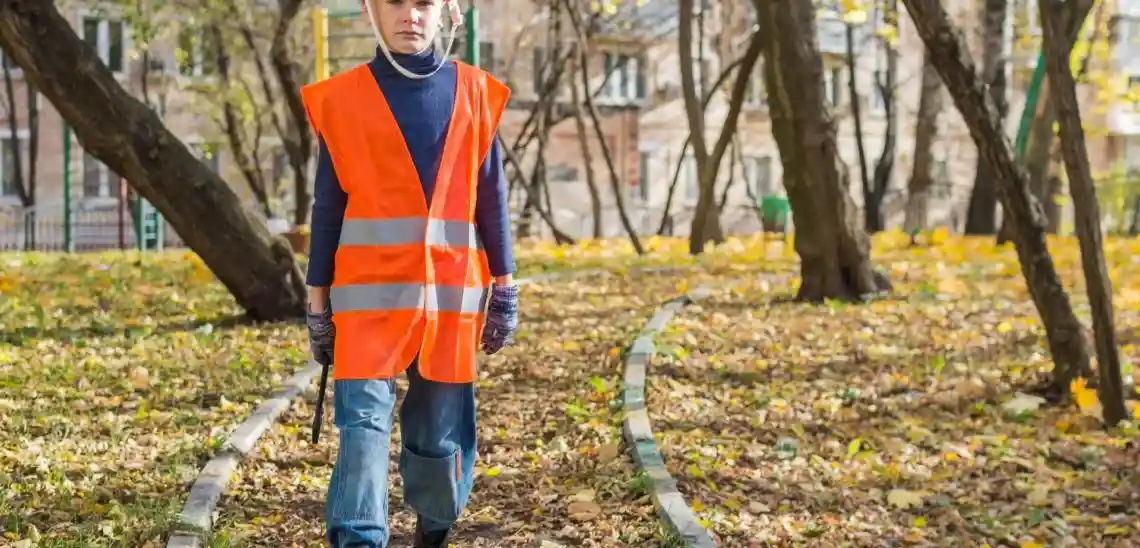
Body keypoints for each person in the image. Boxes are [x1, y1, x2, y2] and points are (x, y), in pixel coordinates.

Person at [299, 0, 519, 544]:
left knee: (438, 438)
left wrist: (506, 287)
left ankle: (433, 531)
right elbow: (328, 207)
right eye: (394, 2)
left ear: (445, 9)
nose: (410, 15)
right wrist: (317, 302)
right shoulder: (344, 99)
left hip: (449, 301)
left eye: (423, 2)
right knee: (363, 430)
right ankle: (359, 537)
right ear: (371, 8)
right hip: (366, 302)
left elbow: (491, 201)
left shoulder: (473, 93)